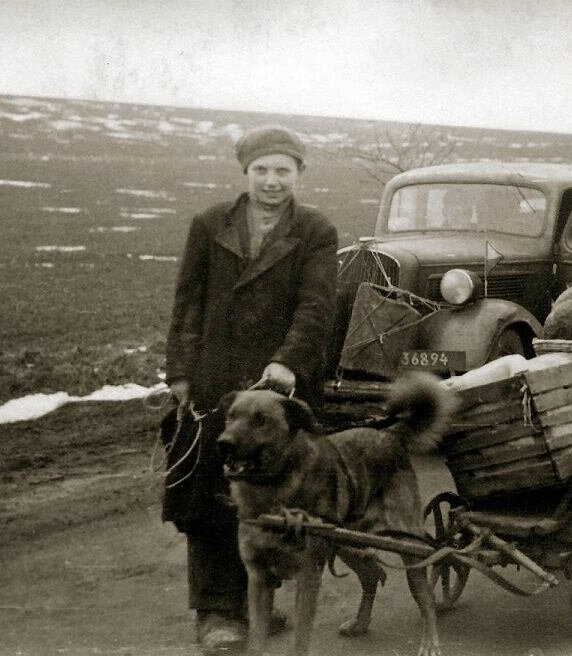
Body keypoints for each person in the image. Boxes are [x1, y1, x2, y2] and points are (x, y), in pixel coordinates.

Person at [163, 124, 338, 650]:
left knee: (281, 490)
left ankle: (259, 598)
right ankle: (218, 612)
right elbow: (187, 302)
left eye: (283, 170)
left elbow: (317, 306)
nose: (271, 180)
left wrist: (287, 362)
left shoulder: (314, 230)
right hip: (218, 381)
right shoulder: (209, 223)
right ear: (246, 172)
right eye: (261, 169)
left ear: (299, 173)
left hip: (281, 389)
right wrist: (180, 373)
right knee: (210, 495)